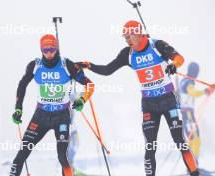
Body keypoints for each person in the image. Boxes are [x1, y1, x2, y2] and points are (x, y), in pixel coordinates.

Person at [77, 20, 199, 176]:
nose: (127, 40)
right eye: (125, 37)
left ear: (139, 34)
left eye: (129, 36)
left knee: (180, 142)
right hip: (149, 104)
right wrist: (88, 65)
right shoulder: (127, 54)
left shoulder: (157, 45)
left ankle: (195, 173)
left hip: (168, 100)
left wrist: (174, 64)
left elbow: (179, 58)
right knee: (150, 146)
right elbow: (108, 70)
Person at [9, 34, 95, 176]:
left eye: (52, 50)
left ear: (57, 49)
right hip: (40, 116)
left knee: (62, 157)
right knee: (21, 154)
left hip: (61, 117)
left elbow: (90, 85)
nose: (49, 53)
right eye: (45, 50)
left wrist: (82, 100)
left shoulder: (66, 65)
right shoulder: (35, 65)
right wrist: (18, 109)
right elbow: (22, 85)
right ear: (41, 50)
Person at [179, 62, 214, 165]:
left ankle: (192, 166)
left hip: (186, 114)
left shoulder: (184, 80)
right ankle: (193, 167)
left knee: (191, 140)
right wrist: (206, 91)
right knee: (195, 140)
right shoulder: (189, 82)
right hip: (188, 114)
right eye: (196, 71)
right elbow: (192, 93)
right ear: (194, 71)